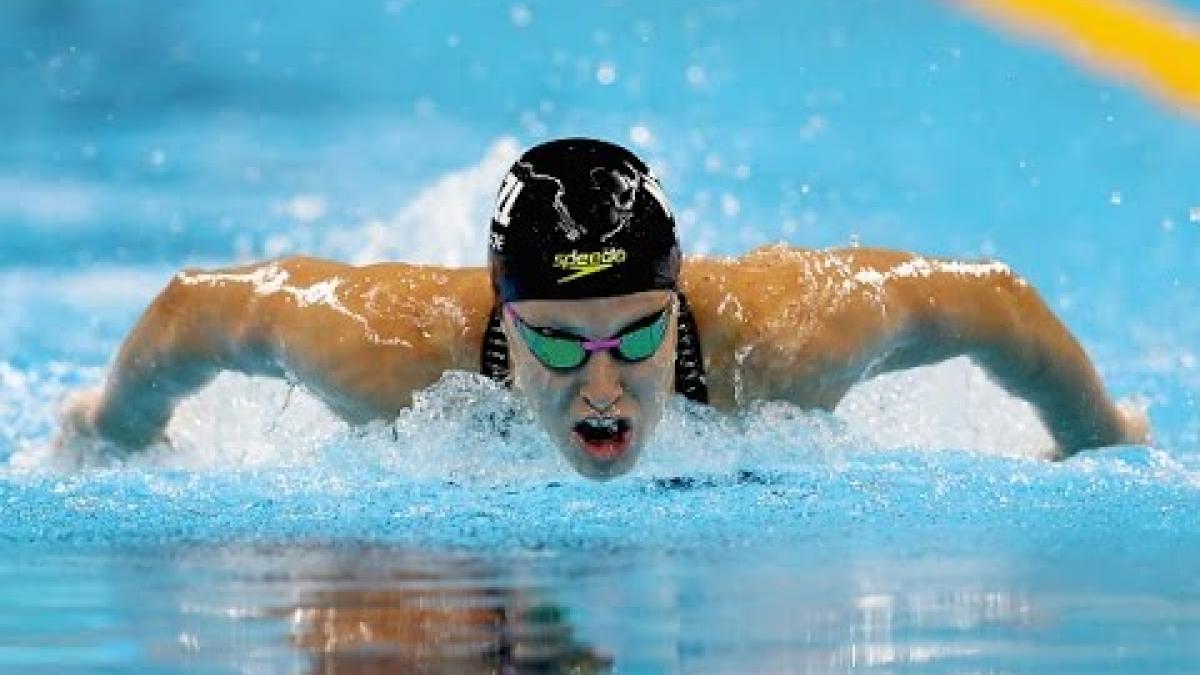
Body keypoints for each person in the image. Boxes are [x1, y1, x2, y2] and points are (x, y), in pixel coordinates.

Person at [58, 138, 1149, 478]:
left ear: (678, 302)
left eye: (636, 334)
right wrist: (111, 425)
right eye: (559, 341)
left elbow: (992, 305)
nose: (600, 382)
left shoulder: (785, 340)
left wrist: (1098, 436)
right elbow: (198, 308)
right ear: (503, 313)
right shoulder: (383, 353)